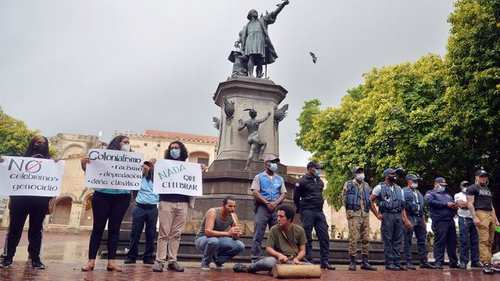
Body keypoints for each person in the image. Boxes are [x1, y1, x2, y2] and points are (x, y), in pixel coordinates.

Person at [0, 136, 55, 269]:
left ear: (46, 145)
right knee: (14, 229)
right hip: (20, 199)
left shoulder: (51, 163)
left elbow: (54, 183)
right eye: (37, 142)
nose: (39, 144)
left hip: (40, 200)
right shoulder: (20, 161)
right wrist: (3, 161)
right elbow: (12, 179)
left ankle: (35, 259)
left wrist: (52, 201)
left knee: (36, 230)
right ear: (32, 143)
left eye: (42, 143)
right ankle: (7, 257)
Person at [80, 135, 132, 272]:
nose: (127, 145)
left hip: (122, 197)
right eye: (124, 142)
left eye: (128, 143)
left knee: (115, 229)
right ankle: (91, 261)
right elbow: (91, 172)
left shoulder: (131, 159)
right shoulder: (103, 156)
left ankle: (111, 262)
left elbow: (138, 176)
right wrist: (84, 165)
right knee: (98, 228)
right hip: (102, 195)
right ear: (116, 144)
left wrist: (144, 169)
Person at [152, 141, 194, 273]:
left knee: (176, 233)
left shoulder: (188, 167)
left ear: (182, 150)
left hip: (183, 203)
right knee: (164, 232)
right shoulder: (163, 165)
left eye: (176, 148)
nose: (174, 150)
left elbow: (193, 180)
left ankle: (172, 260)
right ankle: (159, 261)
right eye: (171, 148)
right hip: (166, 202)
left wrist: (200, 170)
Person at [234, 205, 307, 273]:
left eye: (281, 216)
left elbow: (303, 250)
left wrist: (297, 259)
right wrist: (279, 255)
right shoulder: (274, 229)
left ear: (289, 219)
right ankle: (248, 268)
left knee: (310, 266)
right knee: (269, 262)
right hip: (278, 260)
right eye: (278, 216)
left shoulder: (300, 230)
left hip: (294, 260)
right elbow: (269, 248)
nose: (278, 219)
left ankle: (279, 270)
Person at [293, 161, 335, 270]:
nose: (319, 170)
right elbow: (296, 198)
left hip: (319, 211)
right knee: (307, 236)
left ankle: (324, 261)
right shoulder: (301, 181)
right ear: (310, 168)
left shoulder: (320, 181)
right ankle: (308, 259)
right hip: (307, 211)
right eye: (317, 168)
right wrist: (301, 208)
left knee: (324, 236)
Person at [235, 0, 289, 77]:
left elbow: (274, 13)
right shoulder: (247, 26)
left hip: (260, 40)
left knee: (260, 59)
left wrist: (282, 5)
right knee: (251, 57)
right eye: (254, 12)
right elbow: (242, 35)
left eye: (256, 12)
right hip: (250, 41)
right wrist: (237, 41)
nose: (256, 12)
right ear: (250, 15)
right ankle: (250, 74)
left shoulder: (262, 20)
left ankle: (259, 75)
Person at [249, 155, 286, 262]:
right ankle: (255, 258)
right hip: (262, 208)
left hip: (276, 209)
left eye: (276, 162)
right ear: (266, 164)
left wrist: (275, 203)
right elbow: (255, 192)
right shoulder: (259, 177)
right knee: (258, 233)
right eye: (273, 162)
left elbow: (283, 193)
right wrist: (267, 203)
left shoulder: (279, 178)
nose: (275, 164)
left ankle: (276, 258)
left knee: (277, 234)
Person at [195, 196, 245, 271]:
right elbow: (208, 232)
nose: (232, 209)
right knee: (213, 241)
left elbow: (235, 238)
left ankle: (219, 261)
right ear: (223, 205)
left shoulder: (233, 215)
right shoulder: (213, 212)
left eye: (234, 206)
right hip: (203, 239)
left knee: (240, 245)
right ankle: (205, 262)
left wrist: (237, 234)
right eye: (230, 206)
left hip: (219, 239)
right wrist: (228, 233)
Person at [370, 168, 405, 271]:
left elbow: (402, 205)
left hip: (398, 215)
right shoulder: (379, 187)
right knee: (388, 240)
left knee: (398, 240)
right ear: (386, 176)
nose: (394, 176)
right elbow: (370, 200)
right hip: (387, 215)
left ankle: (397, 262)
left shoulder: (399, 188)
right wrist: (377, 214)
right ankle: (389, 263)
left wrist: (403, 217)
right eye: (392, 174)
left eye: (395, 174)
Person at [124, 160, 159, 265]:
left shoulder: (158, 180)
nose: (146, 168)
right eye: (145, 166)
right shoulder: (139, 178)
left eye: (148, 166)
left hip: (152, 208)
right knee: (135, 233)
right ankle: (131, 256)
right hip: (139, 207)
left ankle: (148, 257)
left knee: (151, 234)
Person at [342, 167, 377, 271]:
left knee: (366, 238)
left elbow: (370, 200)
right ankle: (352, 262)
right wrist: (349, 212)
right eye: (358, 172)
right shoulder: (348, 184)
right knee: (354, 238)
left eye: (362, 172)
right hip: (354, 214)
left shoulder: (366, 185)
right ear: (354, 174)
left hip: (365, 214)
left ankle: (365, 262)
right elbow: (344, 199)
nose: (361, 174)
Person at [466, 169, 499, 274]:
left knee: (490, 240)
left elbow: (491, 205)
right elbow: (470, 203)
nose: (483, 178)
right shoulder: (472, 188)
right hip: (480, 212)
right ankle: (486, 263)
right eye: (481, 176)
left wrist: (496, 219)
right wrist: (474, 217)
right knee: (484, 239)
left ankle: (489, 262)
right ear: (476, 177)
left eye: (485, 176)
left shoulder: (488, 189)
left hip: (490, 214)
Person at [401, 174, 436, 270]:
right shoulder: (403, 191)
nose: (416, 183)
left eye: (417, 181)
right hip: (409, 216)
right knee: (407, 240)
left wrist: (424, 221)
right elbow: (402, 207)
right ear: (408, 181)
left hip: (419, 217)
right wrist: (405, 219)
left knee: (422, 240)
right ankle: (408, 262)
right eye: (414, 181)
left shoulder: (418, 192)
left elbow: (422, 208)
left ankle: (423, 261)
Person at [425, 177, 458, 269]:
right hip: (439, 221)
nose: (443, 187)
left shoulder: (448, 195)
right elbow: (429, 202)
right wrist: (445, 204)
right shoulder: (430, 193)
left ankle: (453, 262)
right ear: (436, 184)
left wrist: (454, 206)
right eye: (442, 185)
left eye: (444, 185)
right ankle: (438, 262)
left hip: (450, 220)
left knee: (452, 242)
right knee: (440, 241)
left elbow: (451, 204)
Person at [454, 180, 480, 269]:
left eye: (468, 185)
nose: (466, 187)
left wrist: (468, 204)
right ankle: (463, 261)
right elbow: (461, 205)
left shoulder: (474, 194)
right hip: (463, 218)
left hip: (474, 218)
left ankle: (475, 261)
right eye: (464, 185)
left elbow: (476, 205)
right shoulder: (458, 195)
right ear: (461, 186)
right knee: (464, 240)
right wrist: (470, 204)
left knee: (475, 240)